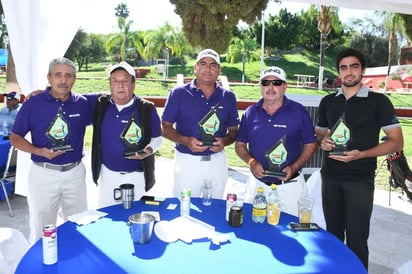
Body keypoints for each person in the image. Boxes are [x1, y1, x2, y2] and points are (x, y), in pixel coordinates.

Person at [316, 48, 404, 270]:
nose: (349, 72)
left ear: (362, 70)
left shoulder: (379, 101)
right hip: (330, 177)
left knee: (357, 239)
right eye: (343, 67)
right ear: (339, 72)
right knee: (332, 236)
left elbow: (396, 141)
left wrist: (361, 154)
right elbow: (320, 133)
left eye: (354, 66)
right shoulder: (328, 102)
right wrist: (323, 143)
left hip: (360, 181)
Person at [10, 57, 92, 243]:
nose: (63, 80)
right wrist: (39, 151)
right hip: (43, 174)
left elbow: (111, 99)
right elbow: (15, 138)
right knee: (42, 226)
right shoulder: (33, 103)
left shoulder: (83, 103)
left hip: (75, 173)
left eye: (68, 76)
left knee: (79, 223)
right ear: (49, 78)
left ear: (74, 79)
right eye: (58, 75)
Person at [235, 66, 318, 215]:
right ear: (261, 87)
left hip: (289, 187)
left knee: (291, 233)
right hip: (257, 186)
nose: (271, 87)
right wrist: (252, 162)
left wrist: (294, 167)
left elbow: (311, 144)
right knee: (253, 230)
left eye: (277, 83)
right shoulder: (250, 112)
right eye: (266, 83)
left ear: (285, 86)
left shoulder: (298, 111)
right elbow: (240, 145)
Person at [162, 49, 239, 198]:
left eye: (213, 65)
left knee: (215, 206)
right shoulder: (178, 93)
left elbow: (234, 131)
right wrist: (187, 141)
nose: (208, 69)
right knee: (183, 207)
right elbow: (165, 127)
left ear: (219, 69)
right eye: (203, 64)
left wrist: (225, 141)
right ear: (196, 67)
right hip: (187, 162)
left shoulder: (228, 96)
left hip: (217, 162)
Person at [87, 61, 162, 208]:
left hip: (137, 177)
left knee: (136, 218)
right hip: (108, 176)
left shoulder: (146, 108)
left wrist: (149, 150)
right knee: (107, 219)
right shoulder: (100, 103)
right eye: (115, 81)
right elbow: (69, 96)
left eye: (125, 81)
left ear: (134, 84)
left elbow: (157, 138)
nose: (120, 85)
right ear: (109, 84)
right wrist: (45, 90)